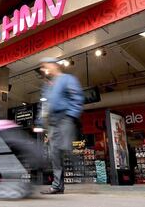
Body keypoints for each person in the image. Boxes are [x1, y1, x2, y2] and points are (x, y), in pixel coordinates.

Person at [39, 57, 84, 195]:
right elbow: (44, 106)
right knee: (55, 155)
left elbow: (77, 97)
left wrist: (71, 115)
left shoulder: (67, 79)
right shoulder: (47, 85)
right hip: (52, 124)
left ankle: (86, 178)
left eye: (46, 66)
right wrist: (40, 123)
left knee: (68, 150)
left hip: (64, 118)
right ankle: (57, 186)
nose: (43, 69)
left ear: (54, 65)